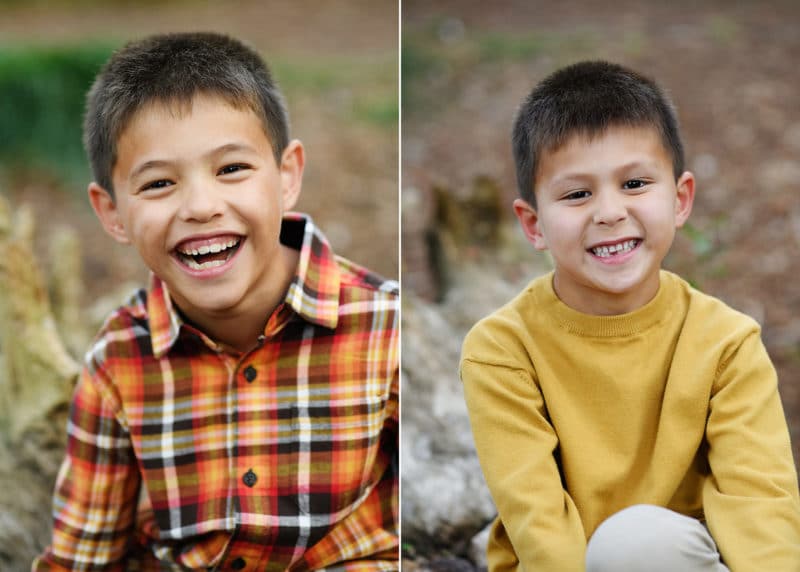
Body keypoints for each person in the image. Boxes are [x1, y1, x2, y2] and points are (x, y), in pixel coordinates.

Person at [33, 32, 398, 571]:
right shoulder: (118, 363)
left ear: (287, 175)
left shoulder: (385, 330)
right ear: (111, 213)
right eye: (158, 183)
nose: (201, 206)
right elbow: (83, 557)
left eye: (231, 169)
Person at [459, 60, 800, 571]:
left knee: (639, 544)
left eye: (636, 184)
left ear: (681, 198)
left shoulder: (725, 343)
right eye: (577, 194)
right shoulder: (504, 351)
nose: (610, 211)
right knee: (622, 544)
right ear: (533, 225)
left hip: (674, 557)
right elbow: (538, 520)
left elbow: (760, 503)